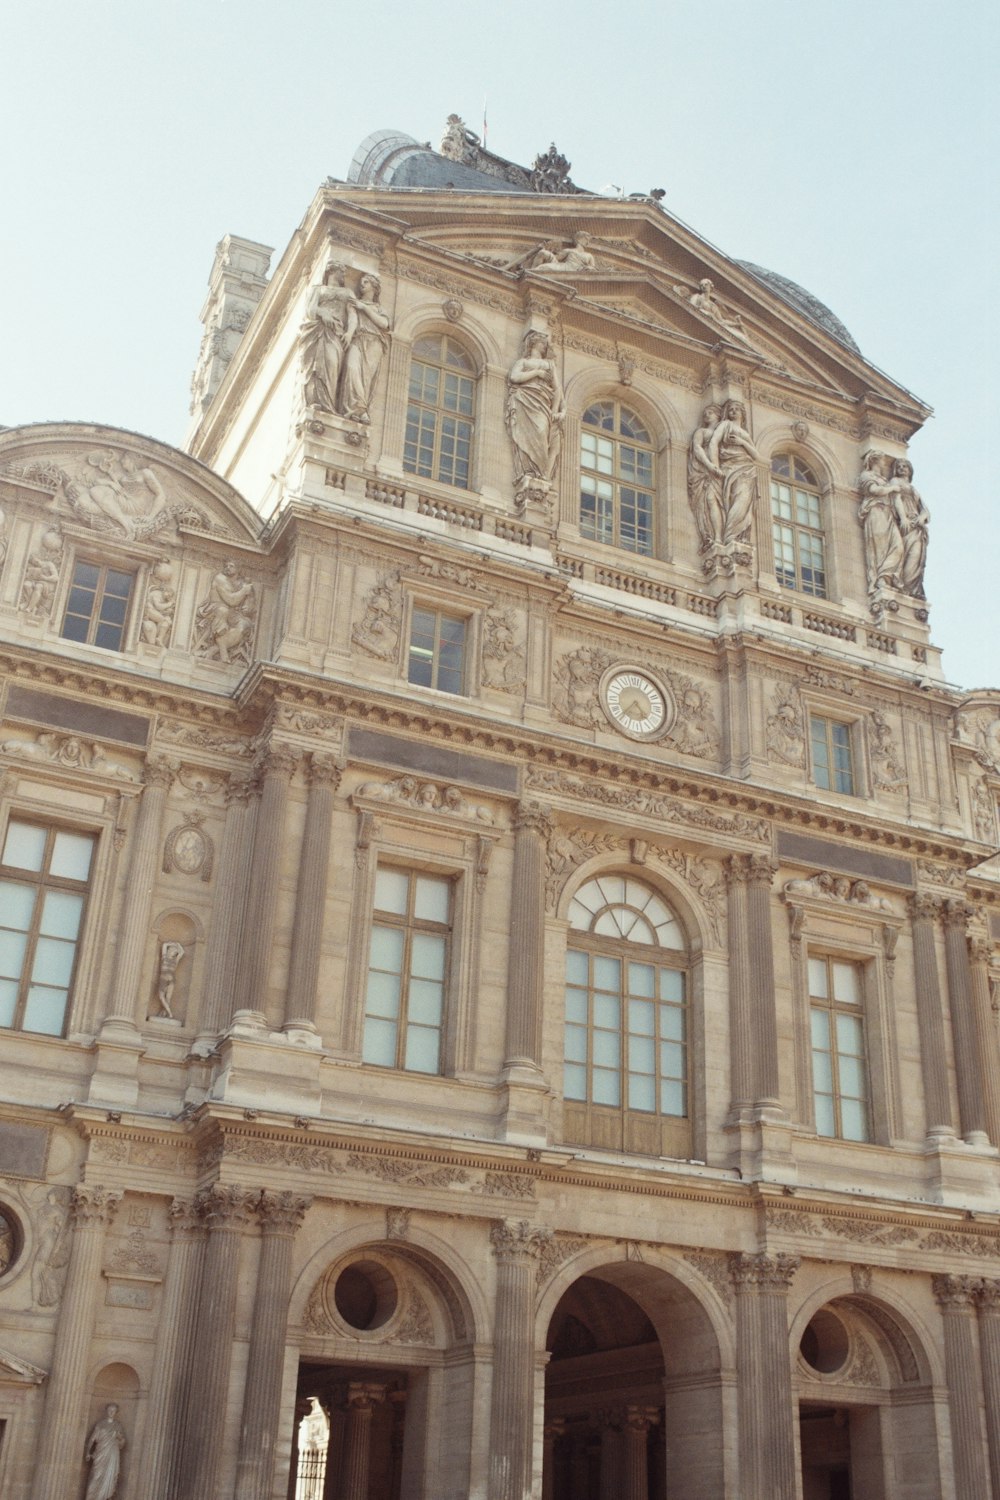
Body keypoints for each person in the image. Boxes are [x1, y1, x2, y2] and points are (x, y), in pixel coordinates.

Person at [505, 330, 565, 493]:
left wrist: (556, 410)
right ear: (532, 344)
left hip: (542, 403)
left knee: (540, 431)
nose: (543, 345)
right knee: (524, 434)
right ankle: (529, 471)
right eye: (540, 342)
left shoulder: (549, 364)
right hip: (524, 398)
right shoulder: (523, 361)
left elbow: (558, 390)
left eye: (545, 343)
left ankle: (540, 474)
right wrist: (536, 373)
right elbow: (514, 377)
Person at [301, 262, 357, 413]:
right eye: (341, 271)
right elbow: (310, 309)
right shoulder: (318, 289)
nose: (343, 275)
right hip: (318, 331)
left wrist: (350, 333)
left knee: (332, 364)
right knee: (315, 366)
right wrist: (323, 313)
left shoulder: (347, 293)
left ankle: (328, 403)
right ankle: (315, 401)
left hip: (337, 334)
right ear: (331, 271)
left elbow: (353, 315)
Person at [339, 274, 391, 423]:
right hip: (357, 338)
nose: (362, 285)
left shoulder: (378, 308)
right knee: (352, 368)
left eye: (366, 282)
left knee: (366, 378)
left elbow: (384, 324)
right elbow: (353, 319)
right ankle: (355, 407)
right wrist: (349, 333)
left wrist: (365, 308)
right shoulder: (354, 302)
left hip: (374, 341)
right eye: (361, 282)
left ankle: (361, 411)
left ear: (374, 287)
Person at [710, 400, 762, 546]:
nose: (733, 411)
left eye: (736, 409)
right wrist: (715, 465)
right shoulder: (725, 425)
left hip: (746, 469)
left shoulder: (744, 433)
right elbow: (714, 442)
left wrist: (742, 442)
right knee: (734, 500)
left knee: (743, 500)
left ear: (742, 413)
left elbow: (756, 456)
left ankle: (734, 535)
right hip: (730, 467)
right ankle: (729, 536)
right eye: (731, 409)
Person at [857, 451, 904, 596]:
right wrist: (892, 488)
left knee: (898, 546)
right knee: (880, 547)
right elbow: (873, 490)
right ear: (875, 461)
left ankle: (888, 576)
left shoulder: (882, 478)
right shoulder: (867, 475)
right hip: (876, 511)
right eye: (882, 460)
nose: (884, 463)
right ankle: (881, 580)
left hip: (888, 513)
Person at [686, 403, 724, 549]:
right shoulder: (701, 431)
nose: (707, 415)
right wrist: (709, 465)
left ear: (718, 415)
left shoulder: (724, 431)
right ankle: (711, 536)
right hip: (704, 472)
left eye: (711, 413)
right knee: (707, 502)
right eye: (705, 413)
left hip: (719, 473)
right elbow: (697, 448)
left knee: (716, 502)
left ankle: (719, 538)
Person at [892, 457, 929, 598]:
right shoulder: (895, 482)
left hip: (917, 525)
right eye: (899, 466)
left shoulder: (913, 489)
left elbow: (925, 510)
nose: (901, 468)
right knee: (908, 555)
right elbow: (896, 500)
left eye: (905, 466)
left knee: (916, 556)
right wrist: (903, 518)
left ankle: (913, 589)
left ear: (910, 471)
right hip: (905, 524)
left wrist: (921, 518)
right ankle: (907, 587)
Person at [84, 1403, 126, 1500]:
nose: (111, 1412)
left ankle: (106, 1497)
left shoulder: (117, 1426)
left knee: (110, 1477)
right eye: (110, 1410)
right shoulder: (101, 1424)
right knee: (95, 1476)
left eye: (113, 1410)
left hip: (112, 1454)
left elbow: (122, 1442)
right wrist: (88, 1452)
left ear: (116, 1412)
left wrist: (120, 1439)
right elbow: (92, 1439)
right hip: (101, 1453)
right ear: (106, 1411)